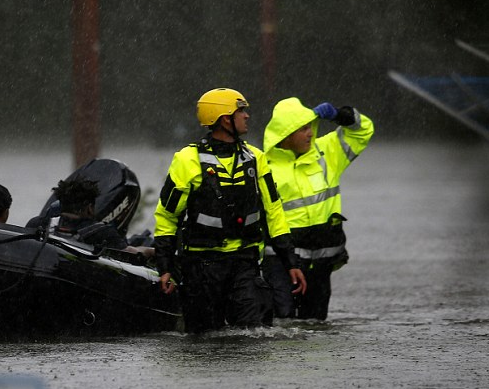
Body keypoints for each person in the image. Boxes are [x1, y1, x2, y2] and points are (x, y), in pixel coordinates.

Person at [153, 88, 307, 334]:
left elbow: (274, 212)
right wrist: (165, 267)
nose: (247, 116)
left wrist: (291, 262)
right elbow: (167, 216)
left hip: (244, 264)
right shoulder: (188, 160)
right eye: (241, 111)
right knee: (203, 339)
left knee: (252, 335)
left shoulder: (256, 158)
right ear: (226, 119)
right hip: (201, 269)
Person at [261, 97, 374, 320]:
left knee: (315, 324)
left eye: (310, 127)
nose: (311, 133)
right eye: (303, 129)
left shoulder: (326, 152)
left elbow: (364, 131)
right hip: (282, 261)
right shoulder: (264, 166)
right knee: (283, 322)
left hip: (321, 260)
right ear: (287, 133)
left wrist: (338, 116)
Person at [48, 178, 130, 250]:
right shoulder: (103, 233)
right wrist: (142, 251)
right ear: (89, 208)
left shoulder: (41, 224)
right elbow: (129, 253)